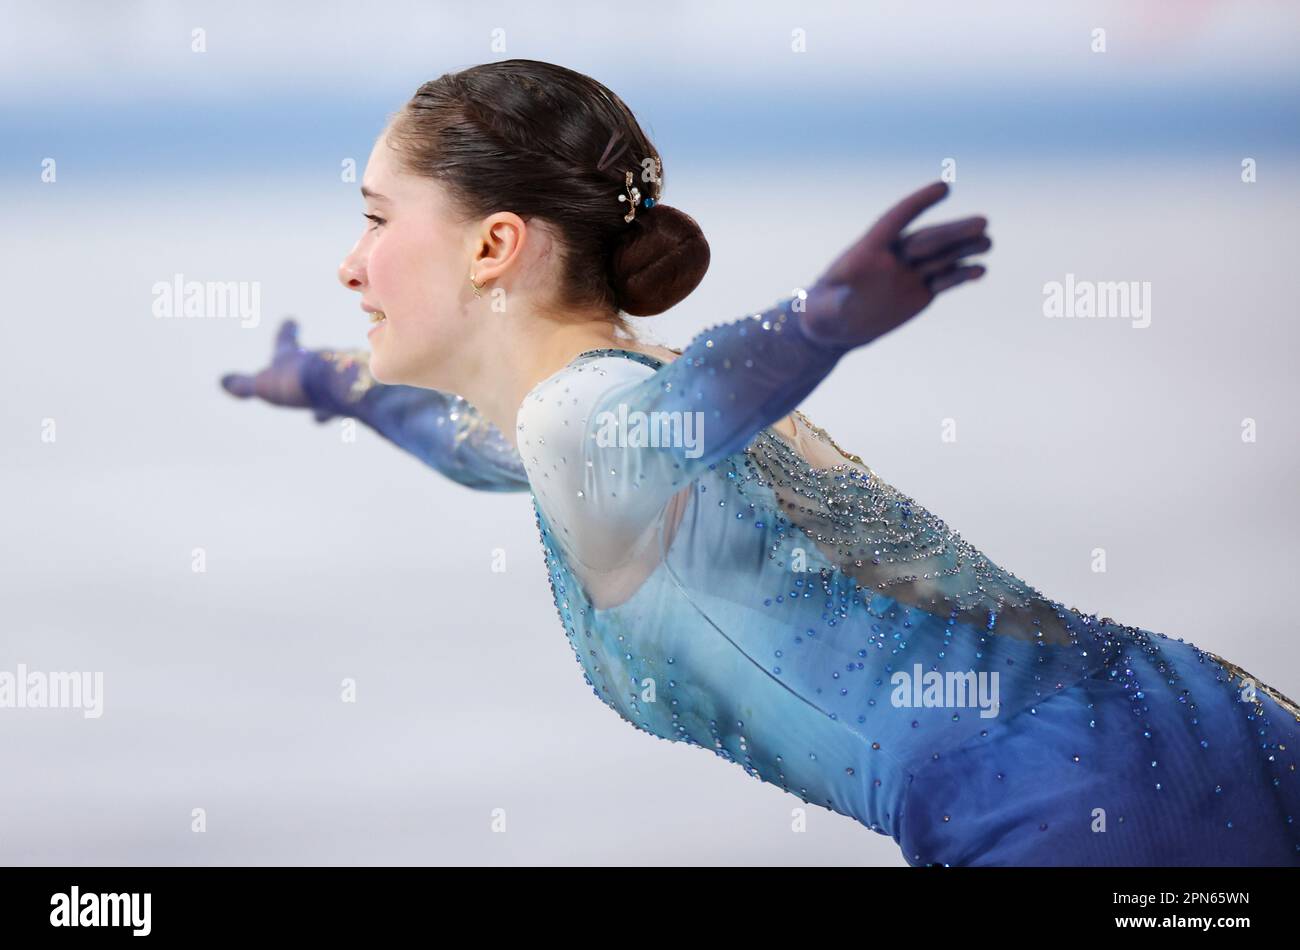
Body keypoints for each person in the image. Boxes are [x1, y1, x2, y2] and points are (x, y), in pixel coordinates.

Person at [222, 59, 1299, 865]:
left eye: (374, 219)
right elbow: (475, 443)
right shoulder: (593, 409)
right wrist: (328, 384)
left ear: (493, 246)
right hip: (1201, 735)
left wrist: (817, 325)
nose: (350, 264)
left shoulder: (591, 419)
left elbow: (695, 407)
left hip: (1082, 812)